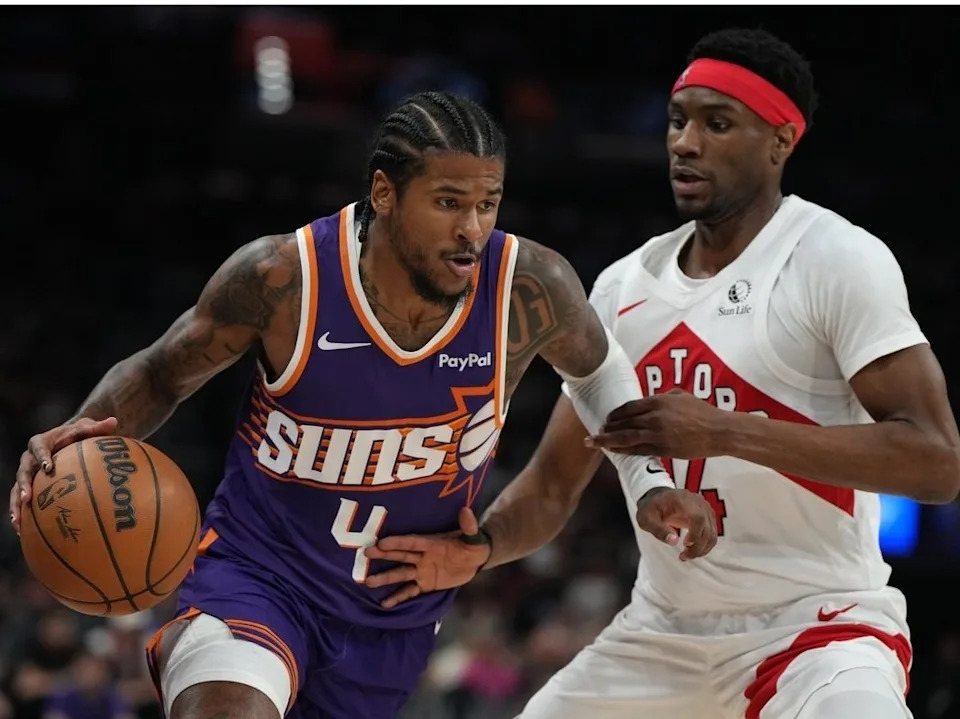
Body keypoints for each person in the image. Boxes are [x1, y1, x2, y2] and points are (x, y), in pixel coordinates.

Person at [10, 91, 717, 719]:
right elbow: (163, 373)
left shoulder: (528, 287)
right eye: (448, 202)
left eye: (488, 202)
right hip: (259, 575)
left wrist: (649, 483)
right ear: (384, 192)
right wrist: (82, 433)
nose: (473, 227)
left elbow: (598, 375)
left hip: (392, 618)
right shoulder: (284, 277)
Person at [363, 30, 960, 719]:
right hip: (662, 634)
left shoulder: (836, 259)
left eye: (717, 123)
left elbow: (936, 462)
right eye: (678, 120)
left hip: (818, 629)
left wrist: (726, 431)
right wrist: (482, 546)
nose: (685, 142)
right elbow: (556, 482)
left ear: (781, 139)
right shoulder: (621, 290)